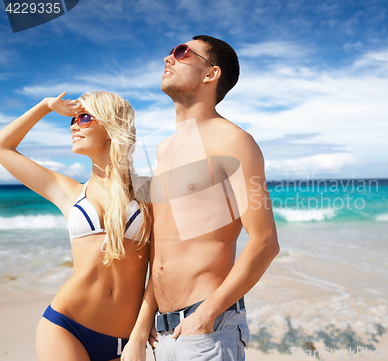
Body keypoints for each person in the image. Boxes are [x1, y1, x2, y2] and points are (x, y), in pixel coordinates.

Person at [121, 35, 280, 361]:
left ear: (211, 74)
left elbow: (265, 242)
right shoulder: (164, 149)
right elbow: (163, 250)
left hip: (207, 329)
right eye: (170, 52)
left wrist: (208, 314)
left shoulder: (234, 142)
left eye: (181, 53)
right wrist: (140, 327)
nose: (169, 58)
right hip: (162, 334)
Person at [0, 90, 152, 361]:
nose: (73, 126)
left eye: (83, 118)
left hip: (124, 338)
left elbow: (162, 267)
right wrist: (46, 106)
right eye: (71, 121)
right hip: (65, 326)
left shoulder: (149, 193)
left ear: (109, 125)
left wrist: (141, 332)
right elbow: (2, 147)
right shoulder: (68, 191)